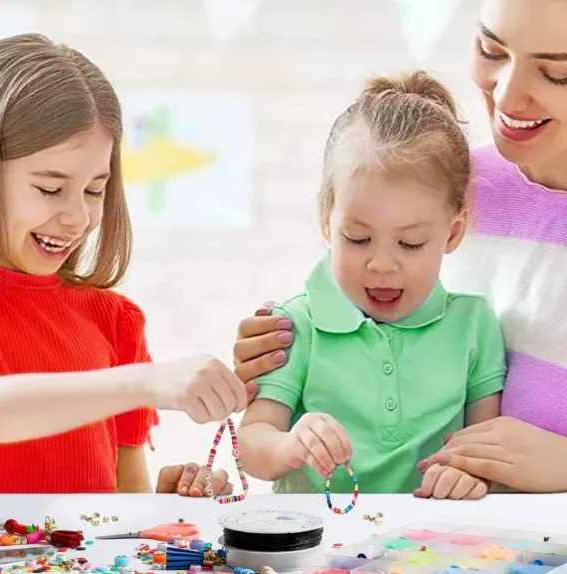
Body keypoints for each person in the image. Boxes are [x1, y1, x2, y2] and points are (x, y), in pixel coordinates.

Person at [234, 0, 567, 495]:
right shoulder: (443, 175)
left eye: (556, 73)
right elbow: (258, 437)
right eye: (491, 50)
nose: (509, 95)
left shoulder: (472, 324)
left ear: (451, 232)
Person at [0, 33, 247, 494]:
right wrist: (147, 381)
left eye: (94, 190)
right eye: (50, 189)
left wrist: (168, 509)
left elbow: (122, 508)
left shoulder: (114, 321)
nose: (78, 216)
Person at [237, 70, 506, 500]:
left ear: (453, 233)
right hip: (315, 542)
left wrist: (472, 475)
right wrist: (291, 444)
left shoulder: (474, 325)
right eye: (358, 239)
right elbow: (251, 443)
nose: (381, 264)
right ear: (328, 219)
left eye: (411, 243)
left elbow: (485, 449)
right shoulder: (295, 324)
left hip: (429, 545)